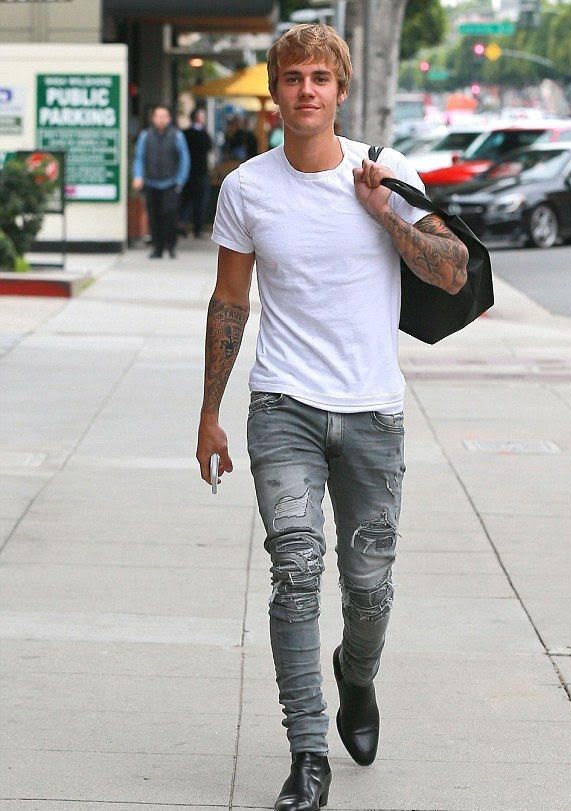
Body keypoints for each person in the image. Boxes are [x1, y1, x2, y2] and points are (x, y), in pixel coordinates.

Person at [196, 24, 468, 811]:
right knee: (295, 570)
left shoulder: (386, 171)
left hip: (372, 413)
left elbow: (453, 273)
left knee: (370, 588)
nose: (306, 90)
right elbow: (230, 301)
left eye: (320, 77)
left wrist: (385, 213)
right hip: (282, 405)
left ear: (341, 92)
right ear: (275, 91)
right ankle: (308, 754)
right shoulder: (246, 188)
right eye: (293, 78)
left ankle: (357, 673)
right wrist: (210, 412)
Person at [132, 104, 190, 259]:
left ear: (169, 118)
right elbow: (139, 158)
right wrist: (138, 176)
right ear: (153, 118)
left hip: (170, 183)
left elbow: (184, 159)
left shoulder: (177, 135)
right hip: (151, 183)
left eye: (164, 116)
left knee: (170, 215)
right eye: (158, 116)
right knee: (154, 216)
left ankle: (171, 246)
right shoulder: (145, 136)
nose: (161, 119)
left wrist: (180, 181)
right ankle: (157, 248)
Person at [182, 107, 213, 238]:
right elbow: (209, 147)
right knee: (200, 201)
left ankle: (183, 223)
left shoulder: (185, 133)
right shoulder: (203, 134)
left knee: (188, 200)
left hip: (189, 172)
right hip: (200, 171)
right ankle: (197, 229)